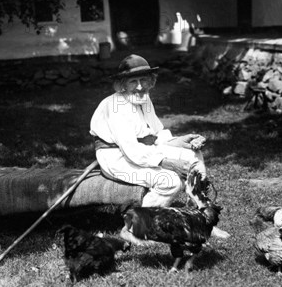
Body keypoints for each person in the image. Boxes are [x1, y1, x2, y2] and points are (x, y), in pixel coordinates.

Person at [89, 54, 208, 208]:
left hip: (144, 151)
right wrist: (169, 164)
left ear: (151, 81)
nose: (140, 86)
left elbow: (156, 134)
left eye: (143, 80)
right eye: (133, 81)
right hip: (117, 158)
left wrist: (180, 141)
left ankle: (202, 211)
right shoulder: (115, 106)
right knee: (170, 181)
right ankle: (136, 227)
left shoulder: (143, 98)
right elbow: (131, 151)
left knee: (194, 155)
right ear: (122, 85)